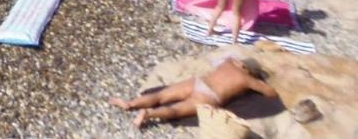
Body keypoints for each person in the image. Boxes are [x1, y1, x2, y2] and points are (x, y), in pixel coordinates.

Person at [110, 55, 278, 129]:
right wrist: (260, 83)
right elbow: (270, 92)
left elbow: (226, 58)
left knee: (160, 95)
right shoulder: (246, 79)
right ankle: (148, 114)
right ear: (249, 70)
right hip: (209, 96)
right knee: (176, 111)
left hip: (198, 82)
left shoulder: (228, 63)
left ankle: (129, 103)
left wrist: (235, 61)